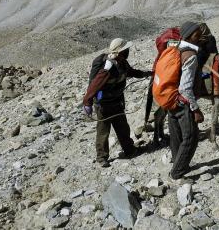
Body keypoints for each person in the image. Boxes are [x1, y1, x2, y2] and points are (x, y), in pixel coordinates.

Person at [83, 38, 152, 167]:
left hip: (116, 101)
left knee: (122, 127)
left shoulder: (122, 63)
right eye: (126, 50)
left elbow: (131, 72)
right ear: (119, 52)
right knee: (103, 131)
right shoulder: (108, 67)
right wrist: (87, 102)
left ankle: (130, 150)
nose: (128, 51)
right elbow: (94, 85)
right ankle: (102, 158)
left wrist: (146, 74)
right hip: (103, 105)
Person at [168, 21, 205, 180]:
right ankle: (177, 172)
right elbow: (185, 88)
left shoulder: (174, 48)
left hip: (170, 98)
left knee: (176, 136)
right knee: (191, 137)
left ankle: (178, 163)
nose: (200, 37)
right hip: (183, 102)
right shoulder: (190, 56)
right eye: (197, 34)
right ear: (189, 35)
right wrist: (196, 109)